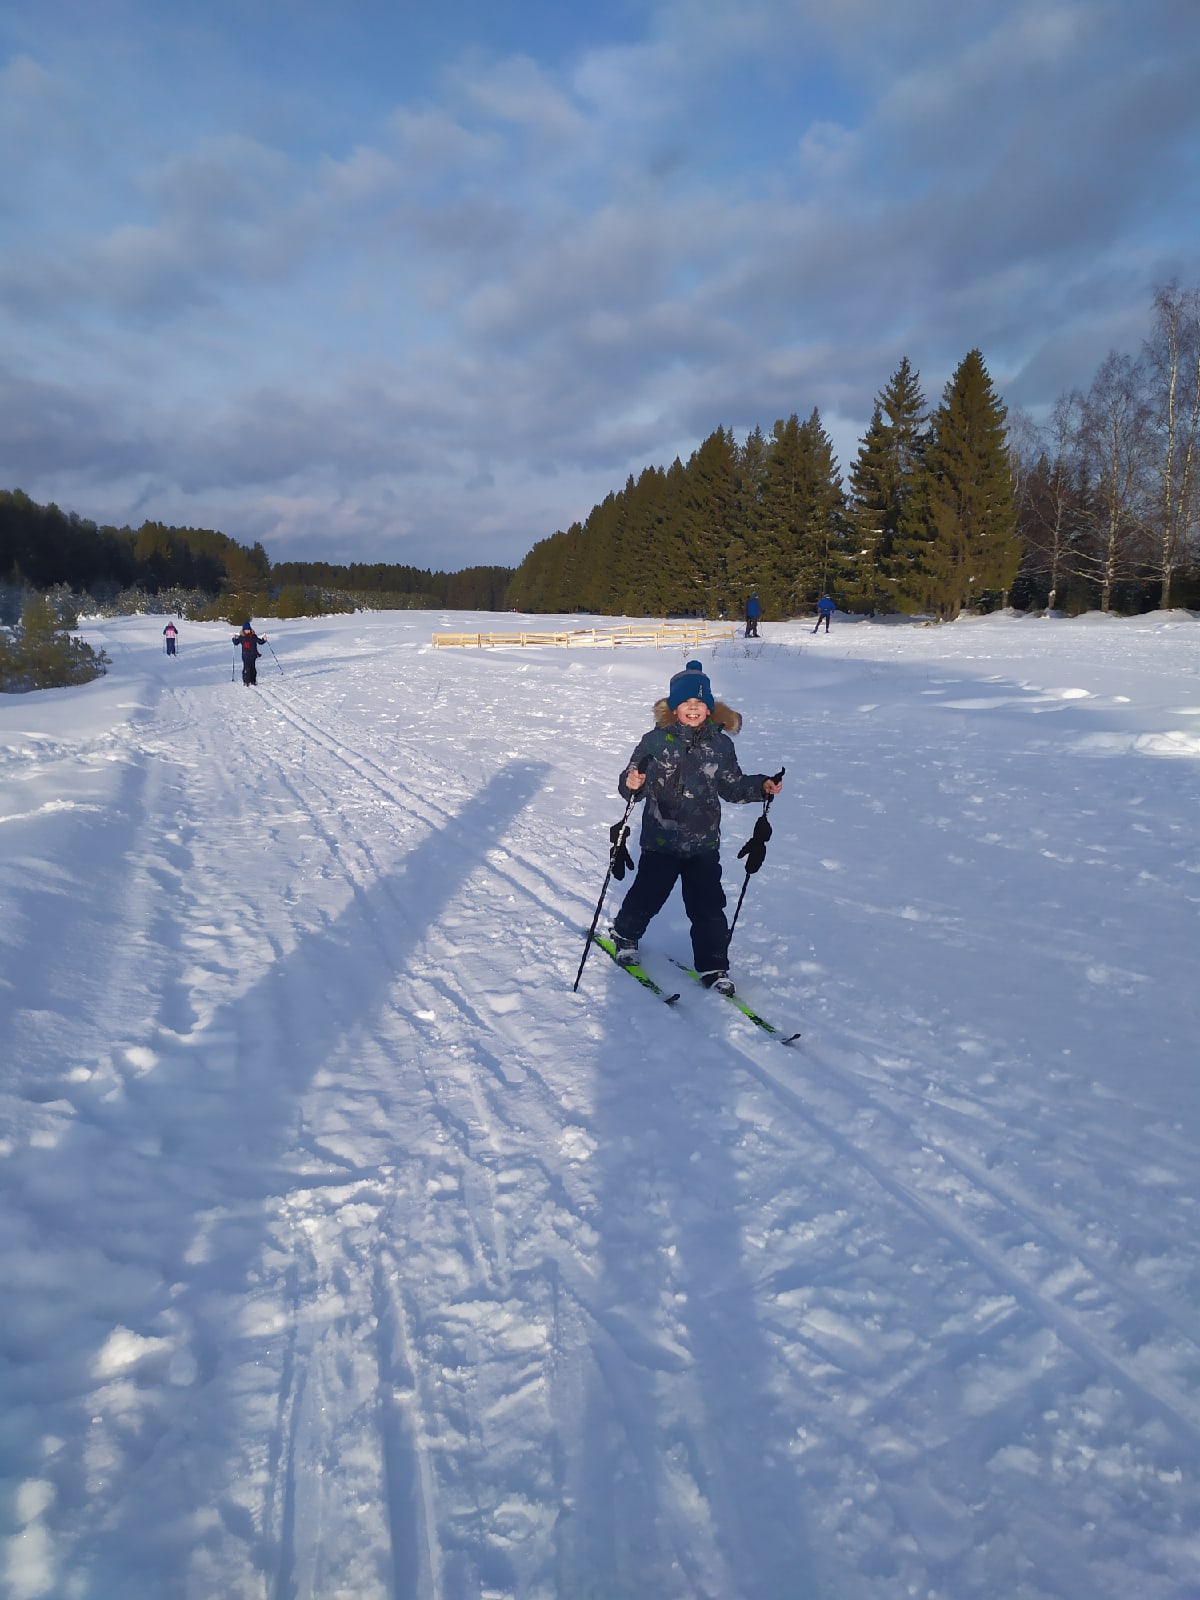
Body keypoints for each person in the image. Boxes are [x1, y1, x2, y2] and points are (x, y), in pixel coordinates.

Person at [609, 660, 783, 996]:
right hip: (661, 840)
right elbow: (632, 782)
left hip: (703, 843)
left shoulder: (721, 745)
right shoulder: (655, 742)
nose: (693, 708)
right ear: (674, 708)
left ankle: (714, 965)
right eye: (686, 702)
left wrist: (760, 786)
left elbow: (731, 786)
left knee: (708, 906)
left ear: (710, 708)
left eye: (700, 703)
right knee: (647, 896)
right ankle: (624, 934)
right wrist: (632, 783)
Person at [233, 620, 268, 685]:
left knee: (253, 669)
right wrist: (234, 638)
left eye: (248, 629)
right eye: (246, 629)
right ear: (243, 630)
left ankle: (253, 681)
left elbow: (260, 642)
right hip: (245, 655)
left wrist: (264, 639)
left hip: (253, 655)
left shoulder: (254, 636)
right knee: (247, 668)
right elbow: (236, 643)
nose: (247, 631)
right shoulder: (241, 637)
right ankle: (246, 681)